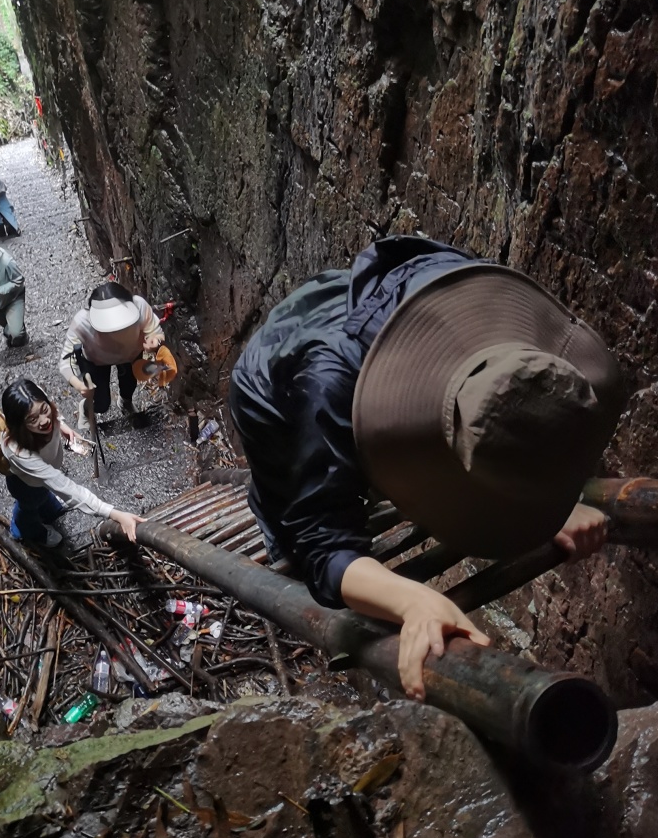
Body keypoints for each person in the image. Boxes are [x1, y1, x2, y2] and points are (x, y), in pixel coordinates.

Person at [228, 236, 625, 701]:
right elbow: (324, 548)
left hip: (354, 316)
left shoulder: (496, 325)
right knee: (293, 516)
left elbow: (508, 421)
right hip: (272, 386)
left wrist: (554, 501)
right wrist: (412, 599)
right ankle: (274, 528)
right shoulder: (326, 390)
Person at [0, 378, 143, 547]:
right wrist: (114, 514)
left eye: (44, 410)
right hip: (26, 484)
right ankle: (26, 530)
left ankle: (49, 510)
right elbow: (65, 487)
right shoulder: (18, 452)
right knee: (28, 506)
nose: (45, 420)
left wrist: (62, 427)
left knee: (45, 498)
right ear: (19, 425)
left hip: (46, 474)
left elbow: (52, 411)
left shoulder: (36, 398)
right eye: (32, 420)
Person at [58, 282, 165, 430]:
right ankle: (87, 408)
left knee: (129, 385)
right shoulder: (82, 322)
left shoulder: (139, 306)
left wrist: (155, 341)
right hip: (96, 360)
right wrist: (79, 384)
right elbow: (66, 360)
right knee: (101, 403)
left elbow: (154, 330)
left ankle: (125, 402)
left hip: (131, 356)